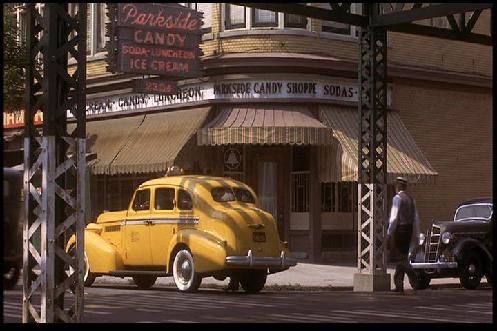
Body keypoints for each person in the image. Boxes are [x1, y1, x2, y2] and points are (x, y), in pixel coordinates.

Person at [386, 176, 420, 292]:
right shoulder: (411, 200)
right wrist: (416, 234)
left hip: (400, 230)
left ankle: (412, 274)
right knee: (403, 256)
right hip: (409, 229)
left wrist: (389, 233)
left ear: (397, 186)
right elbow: (416, 219)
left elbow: (394, 218)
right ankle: (399, 285)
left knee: (399, 257)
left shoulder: (397, 198)